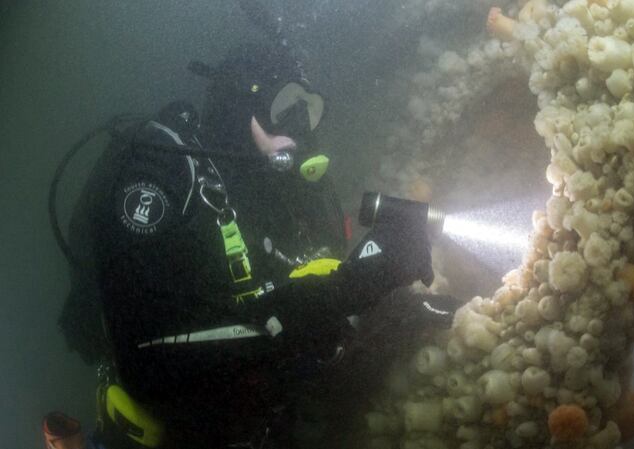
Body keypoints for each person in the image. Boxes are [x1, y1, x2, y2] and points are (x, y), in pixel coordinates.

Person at [55, 41, 459, 449]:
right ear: (238, 104)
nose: (299, 129)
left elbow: (305, 317)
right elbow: (150, 361)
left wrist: (388, 306)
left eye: (307, 111)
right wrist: (349, 288)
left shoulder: (279, 190)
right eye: (284, 109)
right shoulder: (162, 171)